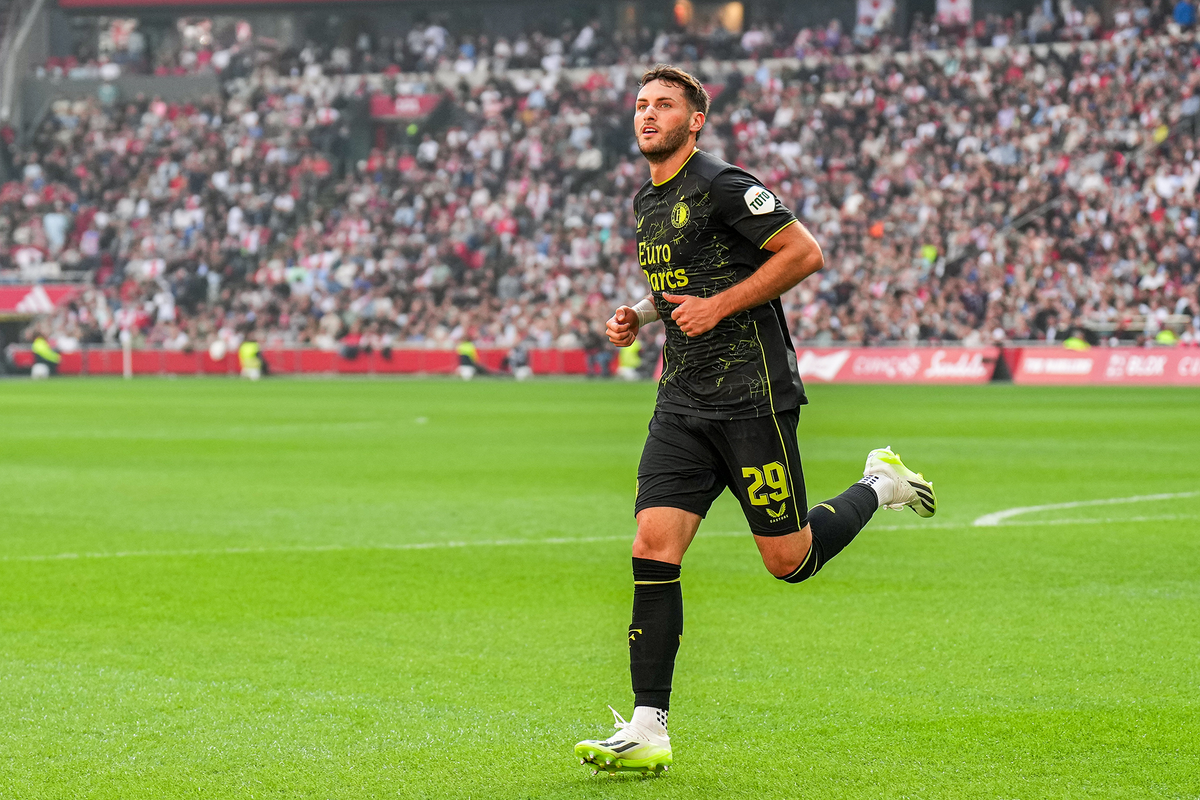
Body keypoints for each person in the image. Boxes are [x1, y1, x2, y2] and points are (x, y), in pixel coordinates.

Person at [573, 65, 939, 776]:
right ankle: (649, 724)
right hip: (681, 401)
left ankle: (880, 483)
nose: (648, 115)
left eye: (665, 106)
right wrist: (640, 315)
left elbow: (805, 252)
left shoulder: (724, 184)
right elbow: (681, 286)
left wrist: (720, 307)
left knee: (789, 561)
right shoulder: (647, 201)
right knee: (652, 547)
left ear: (695, 119)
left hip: (751, 397)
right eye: (642, 105)